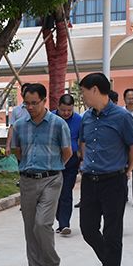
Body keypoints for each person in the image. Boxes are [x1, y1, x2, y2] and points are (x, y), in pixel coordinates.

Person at [78, 73, 133, 266]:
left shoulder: (122, 117)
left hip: (113, 181)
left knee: (112, 232)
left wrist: (127, 170)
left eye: (84, 91)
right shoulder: (86, 117)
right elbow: (83, 143)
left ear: (95, 90)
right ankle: (111, 262)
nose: (82, 96)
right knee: (87, 228)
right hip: (90, 180)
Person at [11, 83, 72, 266]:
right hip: (27, 180)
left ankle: (52, 264)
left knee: (42, 223)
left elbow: (67, 152)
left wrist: (53, 166)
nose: (30, 107)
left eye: (34, 103)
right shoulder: (20, 125)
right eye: (26, 103)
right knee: (30, 227)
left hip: (51, 179)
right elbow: (17, 150)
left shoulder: (58, 124)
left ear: (44, 101)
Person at [55, 94, 83, 235]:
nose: (66, 113)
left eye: (69, 110)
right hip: (53, 160)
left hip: (71, 161)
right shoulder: (50, 118)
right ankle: (59, 218)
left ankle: (64, 224)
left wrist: (81, 157)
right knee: (54, 193)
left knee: (66, 192)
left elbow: (82, 140)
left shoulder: (79, 120)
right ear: (58, 107)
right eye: (63, 110)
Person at [5, 83, 31, 155]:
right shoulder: (16, 110)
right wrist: (8, 146)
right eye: (25, 92)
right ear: (21, 94)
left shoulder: (37, 110)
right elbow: (12, 128)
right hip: (19, 146)